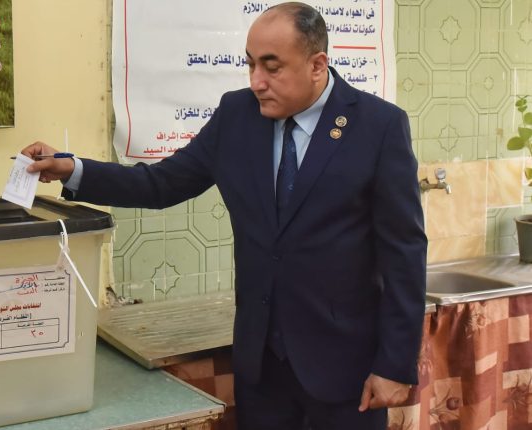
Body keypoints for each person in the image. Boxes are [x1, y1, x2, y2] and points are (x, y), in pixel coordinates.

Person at [21, 3, 426, 429]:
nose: (257, 81)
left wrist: (395, 363)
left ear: (317, 65)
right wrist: (73, 170)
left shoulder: (378, 127)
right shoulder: (237, 116)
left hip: (345, 370)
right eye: (251, 65)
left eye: (272, 67)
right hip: (262, 368)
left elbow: (404, 252)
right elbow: (161, 183)